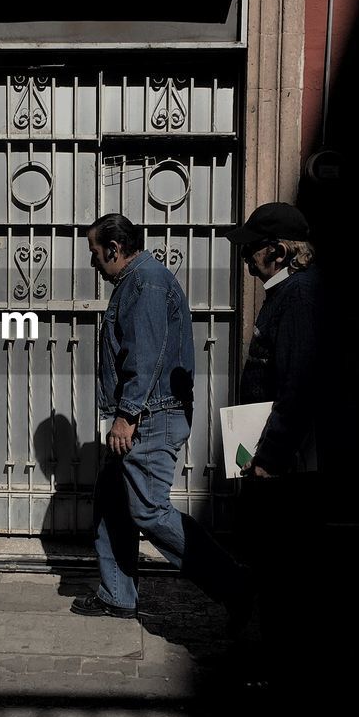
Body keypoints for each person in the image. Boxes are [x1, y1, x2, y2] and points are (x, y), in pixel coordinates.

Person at [71, 214, 253, 628]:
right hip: (148, 413)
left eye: (95, 254)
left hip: (150, 416)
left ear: (114, 250)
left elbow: (147, 354)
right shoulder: (138, 280)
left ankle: (234, 583)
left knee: (149, 511)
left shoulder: (145, 282)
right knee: (112, 502)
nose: (93, 263)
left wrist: (127, 415)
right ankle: (117, 594)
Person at [227, 201, 326, 478]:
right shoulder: (287, 290)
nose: (245, 257)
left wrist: (271, 455)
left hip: (282, 459)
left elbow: (297, 384)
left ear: (279, 252)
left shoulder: (298, 295)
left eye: (250, 248)